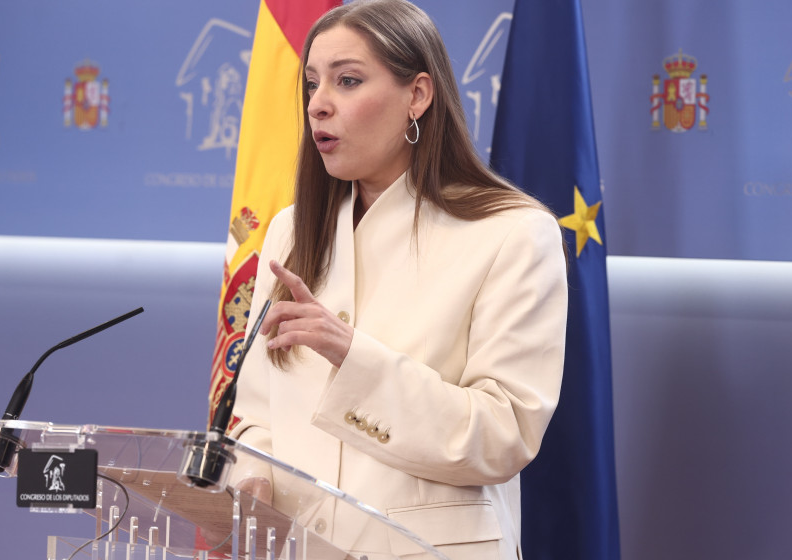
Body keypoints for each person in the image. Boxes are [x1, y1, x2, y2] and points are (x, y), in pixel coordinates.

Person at [229, 1, 567, 558]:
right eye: (312, 83)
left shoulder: (513, 231)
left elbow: (503, 435)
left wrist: (352, 356)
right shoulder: (292, 229)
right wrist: (253, 474)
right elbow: (255, 414)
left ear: (418, 95)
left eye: (347, 81)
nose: (317, 104)